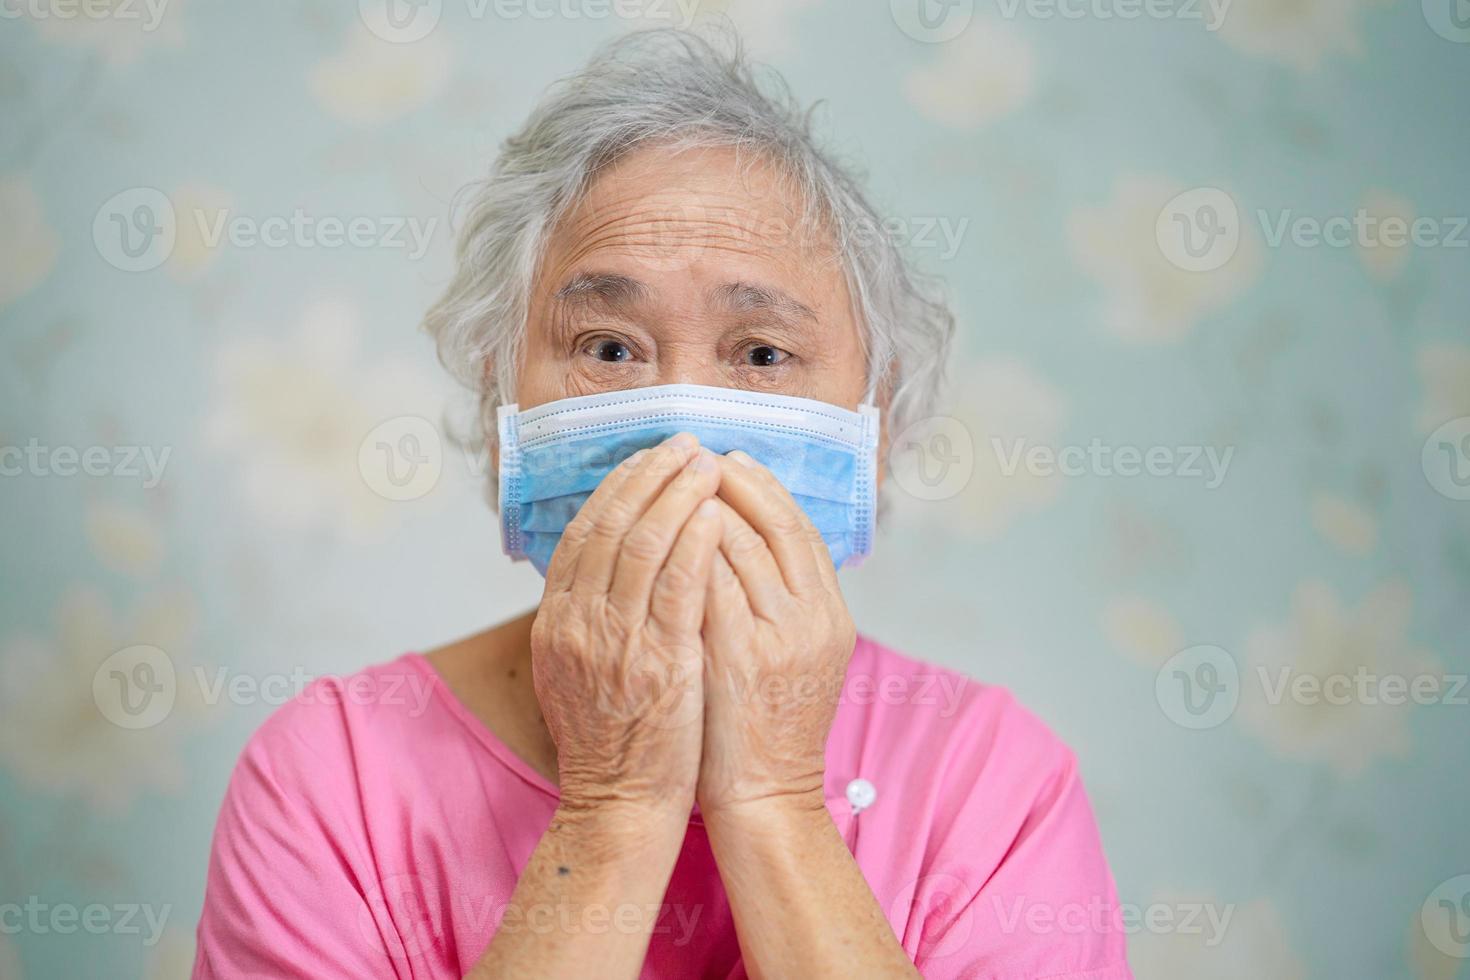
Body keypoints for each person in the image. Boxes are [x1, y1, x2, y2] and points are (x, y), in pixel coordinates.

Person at [193, 28, 1132, 980]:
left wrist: (772, 801)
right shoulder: (332, 776)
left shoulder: (993, 785)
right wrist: (615, 806)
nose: (681, 438)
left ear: (875, 419)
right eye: (607, 347)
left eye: (762, 354)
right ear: (500, 401)